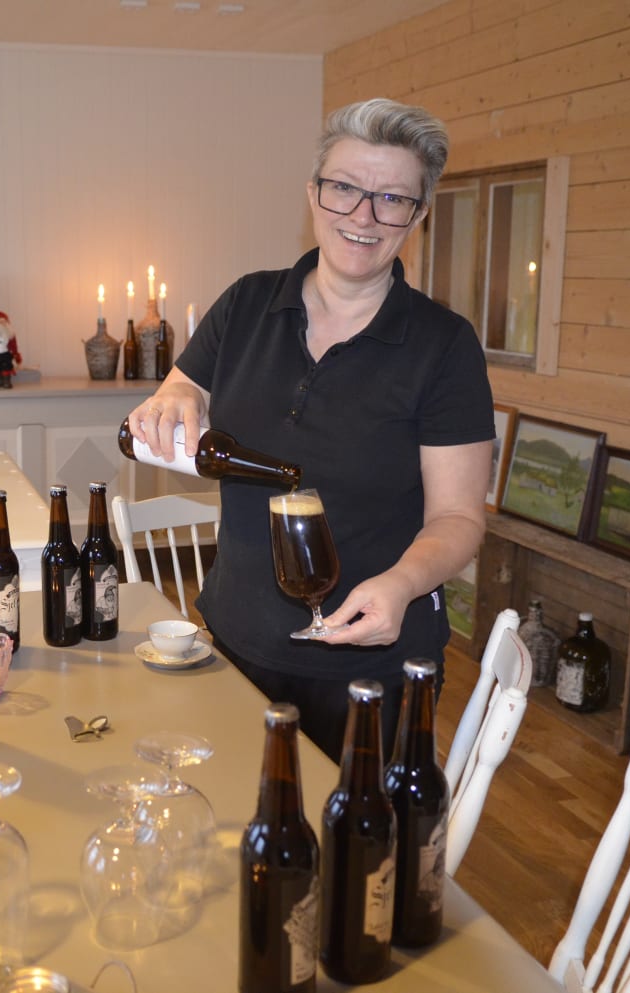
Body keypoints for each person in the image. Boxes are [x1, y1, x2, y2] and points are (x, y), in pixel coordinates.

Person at [126, 98, 494, 755]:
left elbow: (458, 518)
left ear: (418, 215)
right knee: (226, 814)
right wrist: (174, 394)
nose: (363, 216)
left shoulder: (443, 346)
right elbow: (182, 387)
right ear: (313, 193)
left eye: (392, 198)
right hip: (233, 644)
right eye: (344, 188)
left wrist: (402, 584)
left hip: (372, 669)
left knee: (350, 827)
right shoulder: (246, 303)